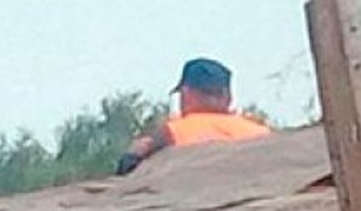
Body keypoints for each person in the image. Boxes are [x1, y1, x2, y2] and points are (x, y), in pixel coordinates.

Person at [116, 57, 271, 175]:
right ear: (228, 97)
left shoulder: (174, 132)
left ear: (186, 93)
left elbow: (129, 164)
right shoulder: (260, 132)